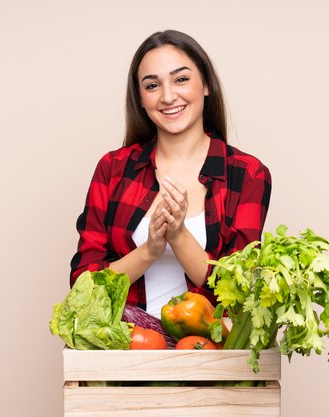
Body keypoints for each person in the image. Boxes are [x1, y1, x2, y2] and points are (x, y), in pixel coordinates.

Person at [70, 30, 272, 318]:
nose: (167, 96)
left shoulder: (248, 174)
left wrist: (178, 237)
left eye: (181, 79)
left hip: (209, 352)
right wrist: (149, 251)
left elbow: (240, 296)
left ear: (206, 85)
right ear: (140, 99)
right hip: (125, 350)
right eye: (152, 85)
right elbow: (83, 290)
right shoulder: (113, 169)